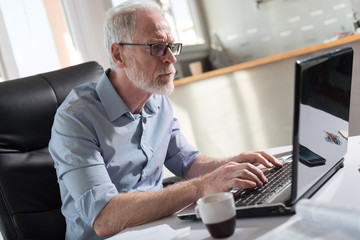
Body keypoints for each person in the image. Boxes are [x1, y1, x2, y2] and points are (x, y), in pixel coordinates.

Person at [49, 0, 282, 239]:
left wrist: (230, 165)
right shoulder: (75, 120)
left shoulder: (157, 101)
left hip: (158, 229)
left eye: (172, 46)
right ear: (118, 55)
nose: (171, 58)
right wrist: (202, 186)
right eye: (157, 47)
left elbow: (188, 162)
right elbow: (105, 218)